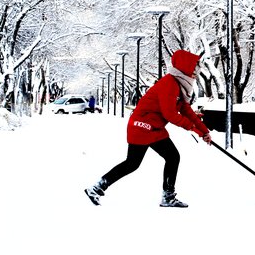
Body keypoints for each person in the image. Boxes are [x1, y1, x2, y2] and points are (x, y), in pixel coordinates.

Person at [84, 49, 212, 208]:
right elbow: (170, 113)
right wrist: (192, 128)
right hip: (143, 126)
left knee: (137, 162)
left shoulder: (179, 86)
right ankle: (167, 196)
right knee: (158, 159)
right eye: (194, 69)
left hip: (152, 127)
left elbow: (186, 111)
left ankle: (97, 187)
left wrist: (203, 131)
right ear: (185, 68)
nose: (196, 73)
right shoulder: (169, 84)